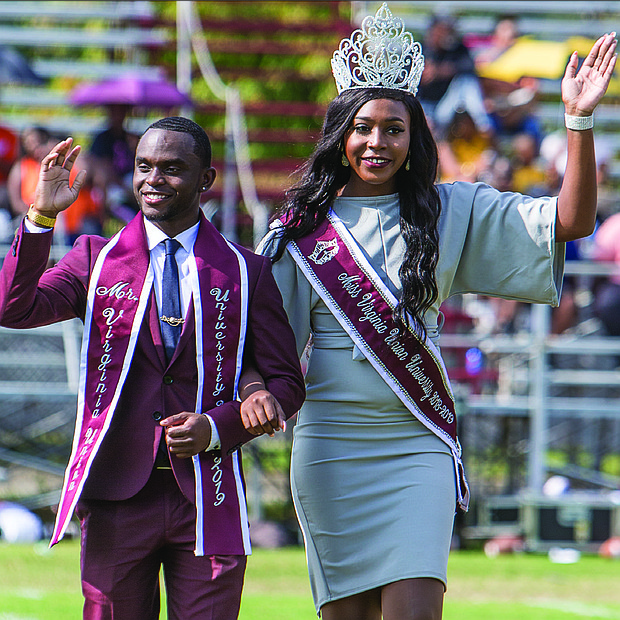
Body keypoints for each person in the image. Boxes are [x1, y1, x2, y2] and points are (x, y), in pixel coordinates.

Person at [251, 5, 616, 619]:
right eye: (363, 127)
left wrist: (577, 120)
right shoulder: (300, 233)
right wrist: (257, 392)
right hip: (331, 447)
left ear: (413, 136)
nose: (377, 142)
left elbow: (570, 221)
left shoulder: (451, 210)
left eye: (393, 128)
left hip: (415, 442)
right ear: (341, 135)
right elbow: (262, 347)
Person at [0, 116, 305, 619]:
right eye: (143, 166)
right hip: (116, 493)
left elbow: (285, 383)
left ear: (205, 180)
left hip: (209, 496)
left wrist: (216, 427)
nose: (152, 180)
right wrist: (40, 217)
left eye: (171, 168)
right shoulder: (94, 258)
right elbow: (14, 307)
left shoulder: (245, 270)